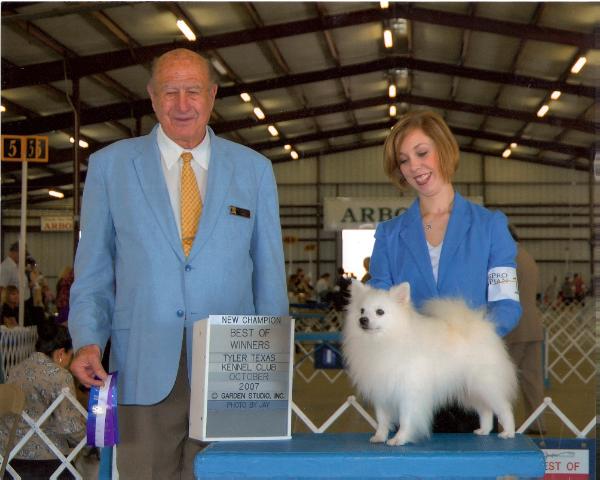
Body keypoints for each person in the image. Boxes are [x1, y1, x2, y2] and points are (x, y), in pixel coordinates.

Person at [68, 48, 288, 479]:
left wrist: (272, 365)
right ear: (152, 97)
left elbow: (270, 274)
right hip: (143, 364)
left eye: (192, 91)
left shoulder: (255, 170)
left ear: (212, 95)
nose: (182, 105)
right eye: (170, 92)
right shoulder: (110, 167)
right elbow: (92, 269)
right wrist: (88, 338)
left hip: (234, 366)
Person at [369, 110, 521, 433]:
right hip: (410, 388)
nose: (414, 167)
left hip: (469, 381)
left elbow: (506, 305)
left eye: (422, 153)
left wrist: (471, 344)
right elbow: (377, 304)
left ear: (444, 149)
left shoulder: (491, 226)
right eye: (404, 160)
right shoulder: (388, 234)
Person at [0, 321, 85, 479]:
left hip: (10, 460)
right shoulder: (60, 376)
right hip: (48, 461)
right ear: (61, 354)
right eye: (70, 355)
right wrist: (88, 437)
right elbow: (68, 426)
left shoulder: (15, 370)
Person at [505, 226, 546, 435]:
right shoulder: (527, 256)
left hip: (514, 326)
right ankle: (537, 424)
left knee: (504, 377)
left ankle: (503, 424)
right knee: (532, 379)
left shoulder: (506, 260)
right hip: (533, 324)